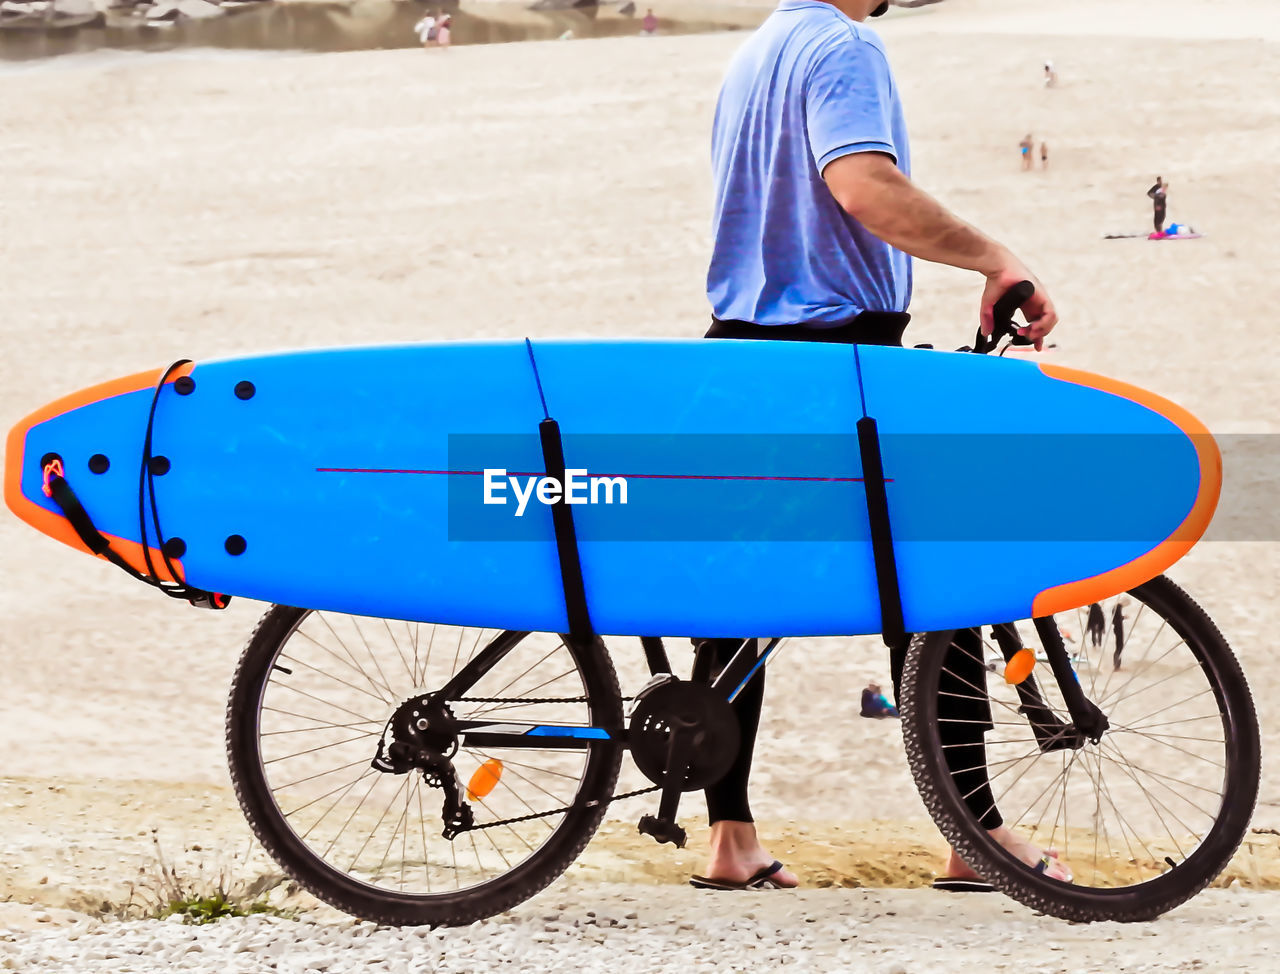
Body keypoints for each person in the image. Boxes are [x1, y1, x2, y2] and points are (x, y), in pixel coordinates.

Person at [696, 0, 1067, 893]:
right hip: (833, 359)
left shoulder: (755, 53)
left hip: (733, 352)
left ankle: (729, 838)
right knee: (936, 584)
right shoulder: (844, 44)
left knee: (735, 596)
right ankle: (970, 833)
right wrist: (993, 258)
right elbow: (863, 185)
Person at [1112, 599, 1128, 670]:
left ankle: (1117, 665)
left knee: (1119, 647)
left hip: (1117, 629)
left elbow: (1115, 619)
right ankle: (1117, 665)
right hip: (1118, 629)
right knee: (1119, 647)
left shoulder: (1116, 607)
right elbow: (1117, 619)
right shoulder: (1118, 607)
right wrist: (1124, 617)